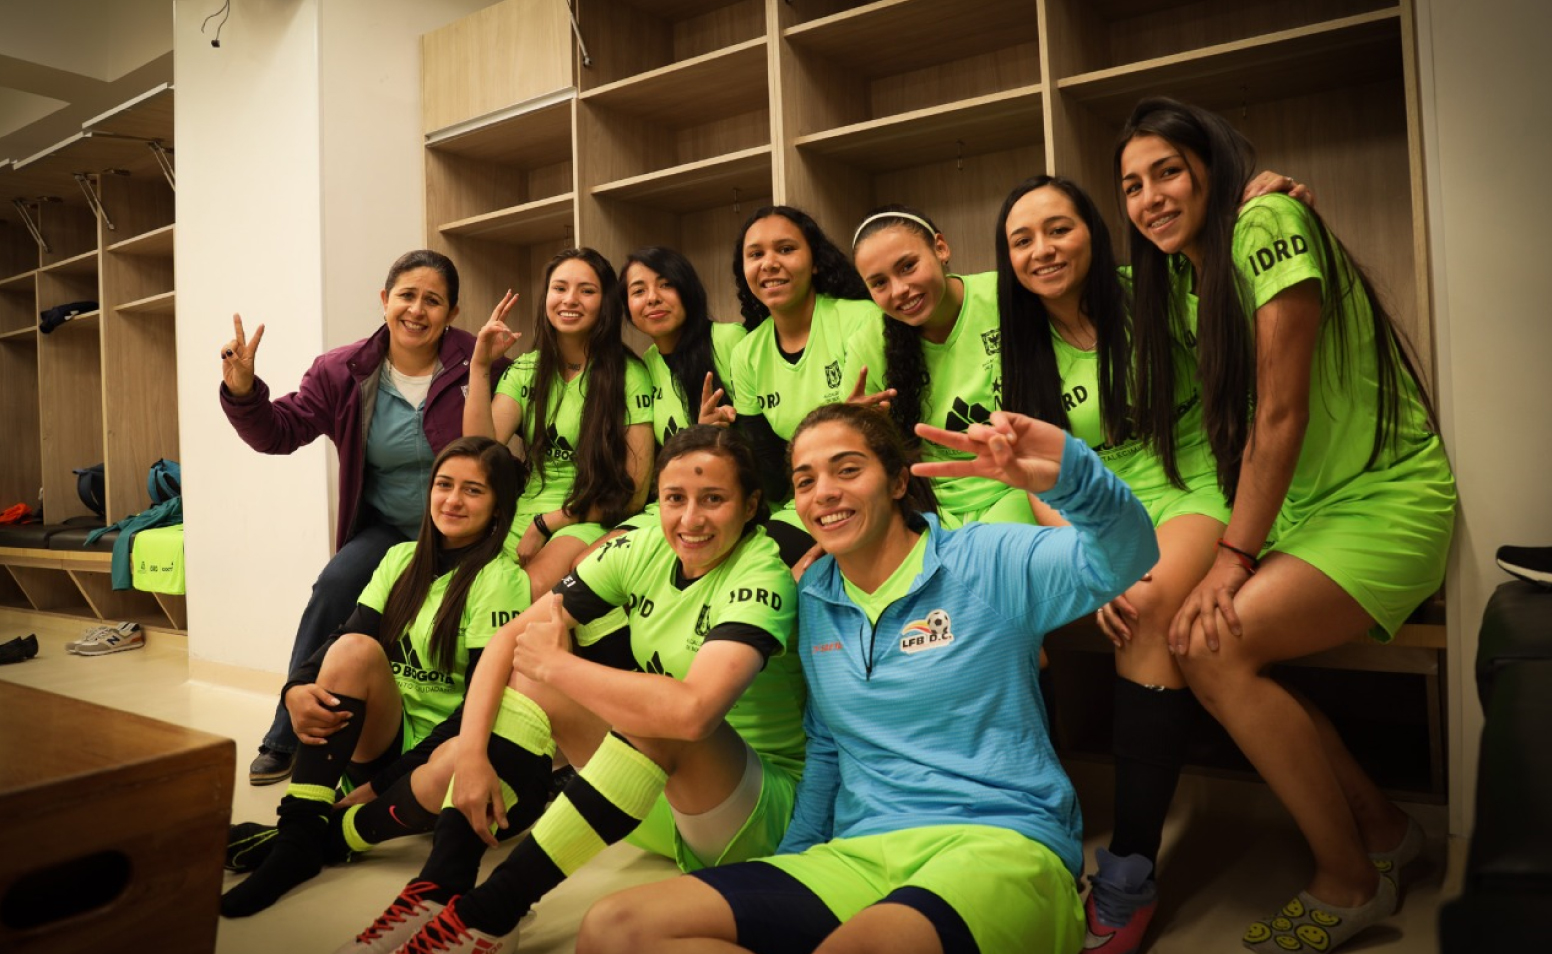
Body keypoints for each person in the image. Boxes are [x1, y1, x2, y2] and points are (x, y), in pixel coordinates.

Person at [578, 403, 1158, 954]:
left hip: (998, 843)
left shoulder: (985, 559)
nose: (824, 492)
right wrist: (792, 861)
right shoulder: (812, 597)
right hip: (860, 852)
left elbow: (1126, 556)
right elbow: (828, 747)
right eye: (804, 481)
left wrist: (1069, 472)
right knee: (615, 928)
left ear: (899, 481)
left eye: (847, 470)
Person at [1116, 97, 1455, 953]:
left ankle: (1349, 882)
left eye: (1166, 171)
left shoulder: (1265, 218)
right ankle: (1382, 832)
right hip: (1305, 513)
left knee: (1212, 643)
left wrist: (1231, 558)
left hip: (1384, 499)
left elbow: (1280, 415)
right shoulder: (1189, 275)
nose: (1150, 196)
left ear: (1209, 166)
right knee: (1205, 640)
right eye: (1130, 185)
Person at [340, 425, 806, 954]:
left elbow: (694, 716)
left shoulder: (763, 572)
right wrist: (470, 754)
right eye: (675, 498)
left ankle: (491, 914)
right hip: (654, 798)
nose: (690, 519)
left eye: (714, 500)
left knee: (659, 710)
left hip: (753, 816)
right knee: (529, 676)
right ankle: (439, 889)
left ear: (750, 507)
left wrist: (559, 667)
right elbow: (505, 645)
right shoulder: (645, 544)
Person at [220, 249, 504, 786]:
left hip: (467, 533)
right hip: (390, 529)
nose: (417, 310)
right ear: (384, 300)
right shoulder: (342, 371)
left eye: (433, 300)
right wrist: (242, 391)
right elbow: (280, 432)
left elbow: (506, 445)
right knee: (334, 588)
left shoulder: (479, 360)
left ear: (452, 311)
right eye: (407, 296)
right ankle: (287, 731)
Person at [220, 436, 532, 917]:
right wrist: (295, 689)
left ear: (497, 508)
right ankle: (299, 838)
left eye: (473, 491)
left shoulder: (501, 580)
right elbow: (343, 641)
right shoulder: (400, 559)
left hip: (442, 757)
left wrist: (385, 781)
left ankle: (310, 841)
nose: (452, 500)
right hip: (385, 737)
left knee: (459, 759)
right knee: (355, 649)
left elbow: (479, 709)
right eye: (444, 484)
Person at [463, 248, 655, 593]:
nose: (570, 299)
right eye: (560, 288)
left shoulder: (630, 376)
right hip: (521, 513)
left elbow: (634, 495)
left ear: (606, 302)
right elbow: (479, 454)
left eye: (587, 290)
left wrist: (548, 522)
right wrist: (479, 368)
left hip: (587, 517)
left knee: (525, 591)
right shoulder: (526, 369)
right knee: (463, 590)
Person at [845, 205, 1036, 525]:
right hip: (927, 500)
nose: (899, 290)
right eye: (879, 283)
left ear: (941, 248)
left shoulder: (1005, 296)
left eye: (907, 266)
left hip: (1016, 487)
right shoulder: (868, 343)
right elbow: (850, 442)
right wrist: (856, 426)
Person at [728, 205, 886, 562]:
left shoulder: (861, 320)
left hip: (866, 490)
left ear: (815, 261)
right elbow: (767, 462)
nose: (769, 263)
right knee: (750, 563)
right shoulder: (746, 353)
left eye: (785, 249)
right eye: (755, 255)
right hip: (801, 500)